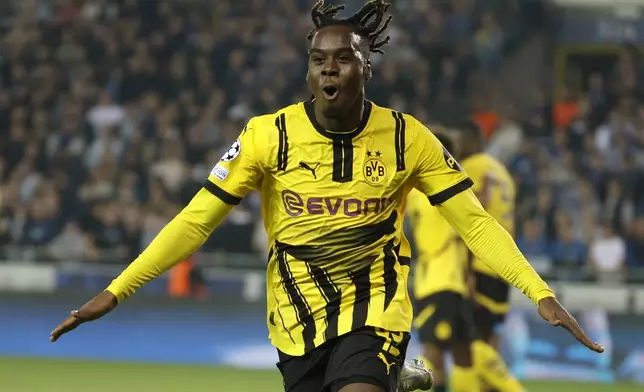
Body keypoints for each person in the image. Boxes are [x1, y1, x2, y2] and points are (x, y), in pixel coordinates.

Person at [50, 2, 604, 392]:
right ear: (309, 70)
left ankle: (382, 373)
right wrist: (117, 290)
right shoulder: (268, 136)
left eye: (342, 58)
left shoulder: (410, 138)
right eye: (319, 60)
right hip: (296, 316)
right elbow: (196, 222)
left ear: (367, 68)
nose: (329, 68)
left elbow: (476, 225)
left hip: (377, 307)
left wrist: (540, 293)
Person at [407, 130, 480, 392]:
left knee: (433, 356)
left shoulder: (423, 192)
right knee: (462, 357)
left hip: (438, 282)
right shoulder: (455, 189)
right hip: (452, 281)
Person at [458, 120, 526, 392]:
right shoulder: (503, 174)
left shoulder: (472, 167)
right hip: (503, 266)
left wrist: (465, 271)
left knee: (470, 340)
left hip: (480, 264)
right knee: (490, 342)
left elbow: (469, 219)